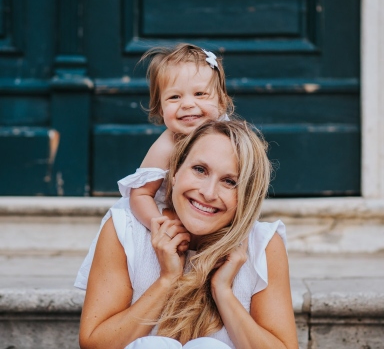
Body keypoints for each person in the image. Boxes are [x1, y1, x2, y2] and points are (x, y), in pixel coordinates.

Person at [75, 120, 298, 349]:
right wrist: (167, 279)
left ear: (247, 196)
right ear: (175, 172)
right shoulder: (126, 230)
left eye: (230, 182)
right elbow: (95, 343)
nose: (208, 193)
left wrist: (222, 291)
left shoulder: (262, 245)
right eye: (200, 170)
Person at [119, 43, 233, 236]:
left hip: (216, 216)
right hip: (174, 221)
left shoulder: (231, 138)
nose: (188, 104)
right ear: (161, 109)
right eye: (174, 97)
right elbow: (140, 194)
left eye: (200, 94)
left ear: (221, 102)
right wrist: (157, 223)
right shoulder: (166, 146)